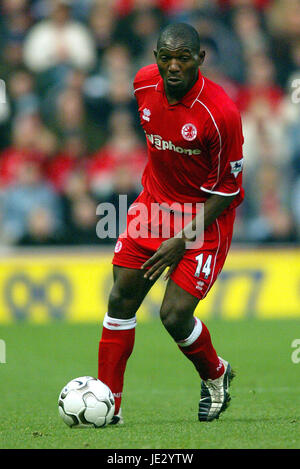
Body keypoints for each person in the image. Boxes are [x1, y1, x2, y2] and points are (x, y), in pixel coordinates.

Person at [97, 23, 244, 424]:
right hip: (152, 209)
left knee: (174, 315)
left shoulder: (221, 115)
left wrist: (182, 239)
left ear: (201, 59)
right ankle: (109, 405)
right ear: (155, 59)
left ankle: (215, 375)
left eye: (183, 58)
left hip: (204, 220)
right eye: (166, 57)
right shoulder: (144, 84)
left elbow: (228, 192)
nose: (173, 66)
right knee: (121, 298)